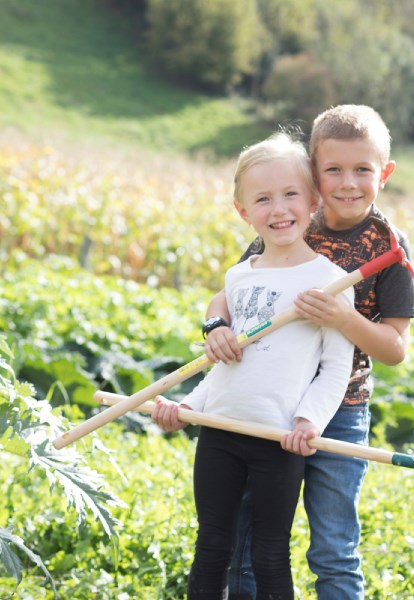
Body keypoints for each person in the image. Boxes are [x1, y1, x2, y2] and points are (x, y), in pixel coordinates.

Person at [204, 105, 414, 599]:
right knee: (250, 538)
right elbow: (235, 289)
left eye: (362, 170)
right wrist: (216, 323)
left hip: (340, 409)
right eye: (334, 170)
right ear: (314, 178)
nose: (348, 183)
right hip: (269, 403)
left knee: (333, 547)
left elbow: (395, 349)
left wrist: (344, 316)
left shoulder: (388, 246)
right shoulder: (291, 219)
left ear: (383, 174)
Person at [151, 132, 355, 600]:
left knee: (268, 554)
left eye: (290, 195)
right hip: (219, 430)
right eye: (263, 199)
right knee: (212, 546)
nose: (279, 209)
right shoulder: (238, 277)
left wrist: (309, 421)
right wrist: (185, 405)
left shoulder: (329, 282)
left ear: (312, 201)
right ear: (243, 212)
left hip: (278, 439)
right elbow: (225, 364)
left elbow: (335, 368)